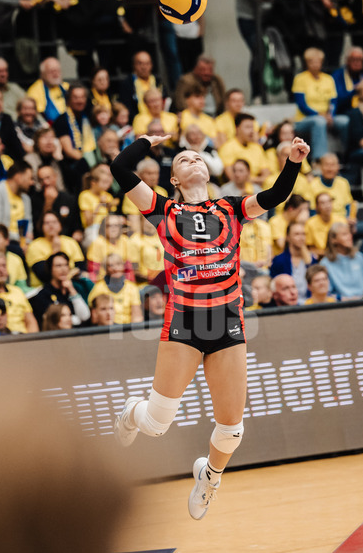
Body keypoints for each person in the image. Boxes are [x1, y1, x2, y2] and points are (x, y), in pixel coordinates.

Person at [111, 130, 309, 519]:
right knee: (155, 424)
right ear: (174, 180)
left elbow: (275, 196)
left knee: (233, 430)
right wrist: (145, 142)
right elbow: (119, 167)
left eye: (198, 157)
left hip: (228, 322)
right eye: (184, 160)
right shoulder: (161, 209)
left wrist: (294, 161)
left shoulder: (231, 208)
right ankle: (133, 410)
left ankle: (210, 477)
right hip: (184, 322)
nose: (193, 161)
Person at [28, 251, 91, 328]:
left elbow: (85, 317)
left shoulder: (75, 289)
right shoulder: (43, 295)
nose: (63, 269)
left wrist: (72, 290)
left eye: (66, 265)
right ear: (50, 269)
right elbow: (54, 321)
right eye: (58, 266)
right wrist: (77, 320)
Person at [318, 221, 363, 300]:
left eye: (349, 233)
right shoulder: (325, 263)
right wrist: (345, 299)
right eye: (344, 234)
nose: (349, 237)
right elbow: (327, 293)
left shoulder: (359, 257)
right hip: (340, 305)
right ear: (333, 240)